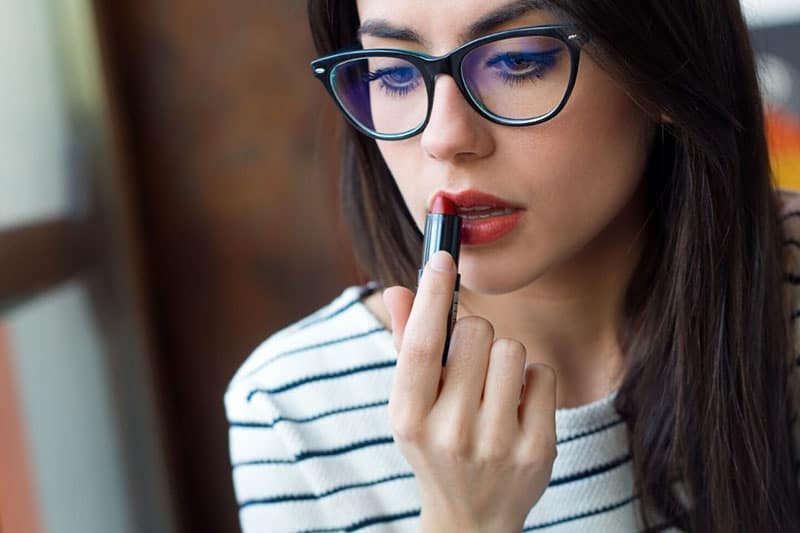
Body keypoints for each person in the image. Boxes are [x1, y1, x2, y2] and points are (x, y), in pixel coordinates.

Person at [224, 0, 800, 531]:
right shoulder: (291, 412)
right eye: (393, 73)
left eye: (517, 62)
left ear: (667, 70)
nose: (444, 137)